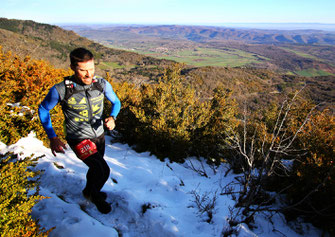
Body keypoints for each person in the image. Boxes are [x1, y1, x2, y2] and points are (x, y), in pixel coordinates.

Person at [38, 47, 121, 214]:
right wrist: (52, 137)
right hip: (78, 138)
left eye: (91, 69)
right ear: (72, 68)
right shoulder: (61, 89)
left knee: (96, 168)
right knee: (102, 170)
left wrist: (112, 117)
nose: (89, 75)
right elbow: (43, 109)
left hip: (98, 136)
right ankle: (94, 196)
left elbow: (116, 102)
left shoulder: (101, 84)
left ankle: (89, 191)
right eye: (83, 70)